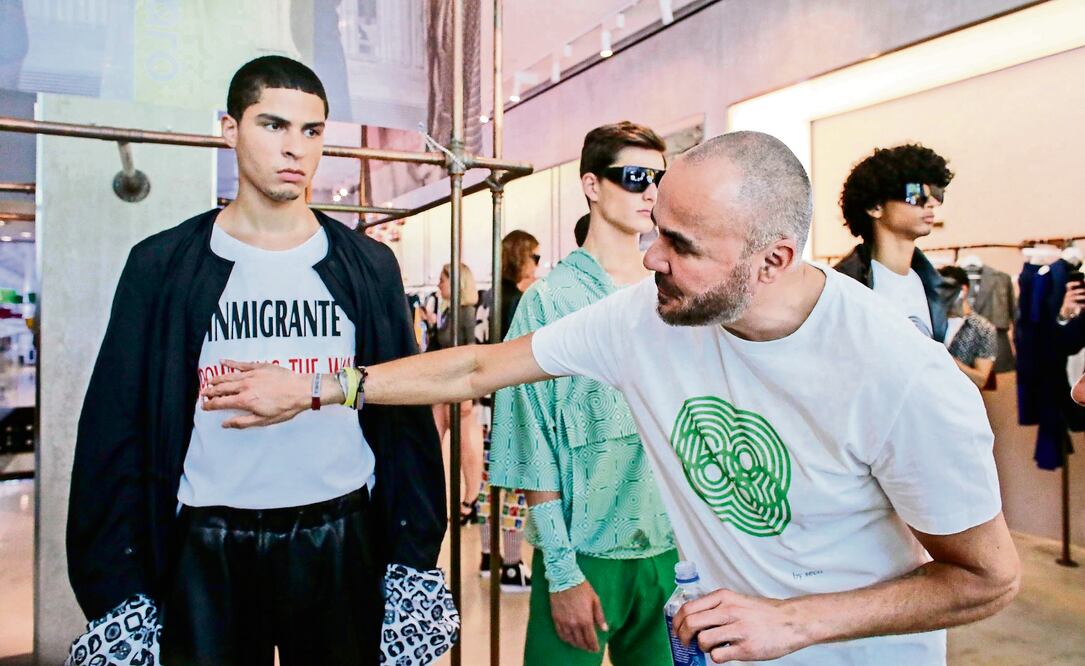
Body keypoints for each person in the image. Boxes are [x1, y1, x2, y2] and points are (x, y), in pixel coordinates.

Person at [201, 130, 1020, 665]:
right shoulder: (639, 317)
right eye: (652, 221)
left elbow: (986, 580)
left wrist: (795, 620)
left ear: (771, 260)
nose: (651, 254)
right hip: (682, 617)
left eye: (681, 244)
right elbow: (478, 371)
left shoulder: (900, 379)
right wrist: (318, 388)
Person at [67, 55, 445, 665]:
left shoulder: (368, 266)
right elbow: (115, 429)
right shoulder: (162, 267)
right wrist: (117, 584)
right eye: (273, 126)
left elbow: (403, 419)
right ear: (229, 129)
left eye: (311, 131)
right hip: (209, 540)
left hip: (340, 534)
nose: (295, 148)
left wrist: (412, 556)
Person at [490, 121, 677, 664]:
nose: (650, 192)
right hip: (584, 549)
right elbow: (530, 443)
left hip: (670, 549)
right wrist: (564, 572)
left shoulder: (672, 292)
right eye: (635, 176)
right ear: (592, 185)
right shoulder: (548, 302)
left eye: (659, 179)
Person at [835, 144, 957, 342]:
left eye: (936, 193)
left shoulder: (935, 287)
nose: (931, 203)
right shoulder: (842, 288)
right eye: (915, 193)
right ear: (875, 206)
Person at [477, 229, 540, 589]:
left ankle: (489, 555)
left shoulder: (489, 296)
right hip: (510, 405)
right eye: (535, 257)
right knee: (516, 484)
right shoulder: (519, 299)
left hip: (487, 404)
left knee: (489, 484)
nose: (537, 264)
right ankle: (513, 565)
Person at [426, 262, 484, 525]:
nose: (439, 284)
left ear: (457, 283)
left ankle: (472, 499)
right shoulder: (446, 311)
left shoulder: (467, 312)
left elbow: (470, 352)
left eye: (443, 279)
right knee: (432, 443)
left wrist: (468, 394)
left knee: (465, 449)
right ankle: (434, 499)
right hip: (441, 386)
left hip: (459, 388)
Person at [938, 265, 997, 388]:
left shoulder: (983, 328)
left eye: (947, 289)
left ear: (963, 290)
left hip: (960, 400)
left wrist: (945, 358)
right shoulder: (930, 320)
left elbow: (981, 380)